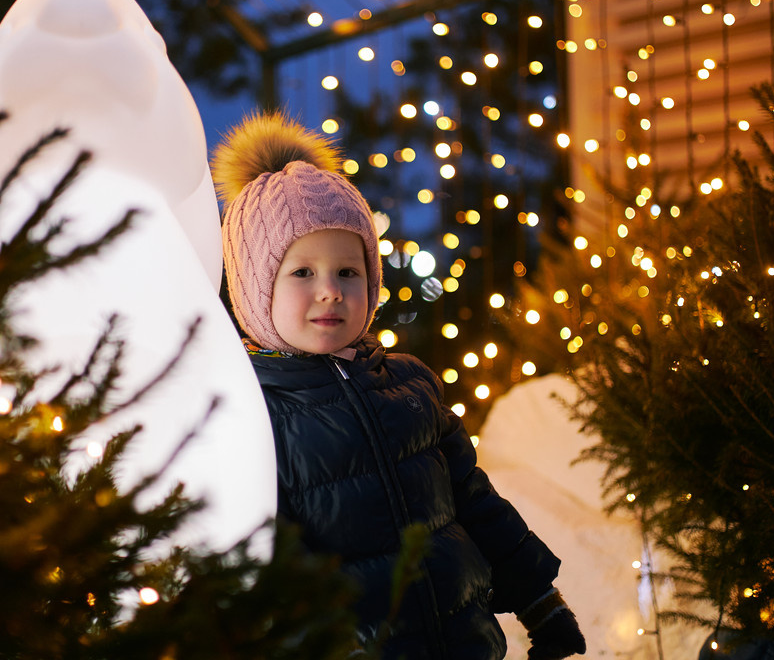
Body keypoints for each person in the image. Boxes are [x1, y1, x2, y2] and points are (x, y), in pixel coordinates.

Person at [211, 112, 587, 660]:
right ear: (253, 288)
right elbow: (266, 572)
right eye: (302, 273)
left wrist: (539, 598)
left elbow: (475, 501)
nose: (330, 291)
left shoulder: (409, 385)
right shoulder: (254, 414)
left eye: (348, 272)